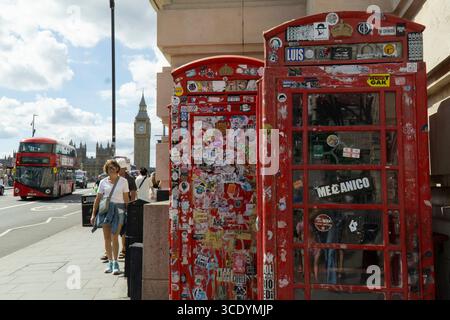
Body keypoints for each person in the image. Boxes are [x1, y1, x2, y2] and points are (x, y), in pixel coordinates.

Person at [91, 159, 129, 275]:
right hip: (106, 212)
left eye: (113, 167)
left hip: (119, 211)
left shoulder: (123, 181)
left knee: (115, 237)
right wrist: (93, 214)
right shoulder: (103, 182)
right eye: (109, 168)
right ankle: (110, 262)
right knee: (107, 238)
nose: (111, 169)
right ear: (106, 170)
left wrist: (128, 212)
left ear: (118, 169)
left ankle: (116, 263)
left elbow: (126, 199)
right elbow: (98, 198)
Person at [117, 158, 137, 259]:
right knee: (114, 229)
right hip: (115, 206)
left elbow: (133, 193)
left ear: (124, 169)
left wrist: (131, 205)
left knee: (124, 229)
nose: (118, 170)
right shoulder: (114, 178)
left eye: (120, 168)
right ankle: (109, 252)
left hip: (125, 206)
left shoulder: (130, 179)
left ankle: (123, 249)